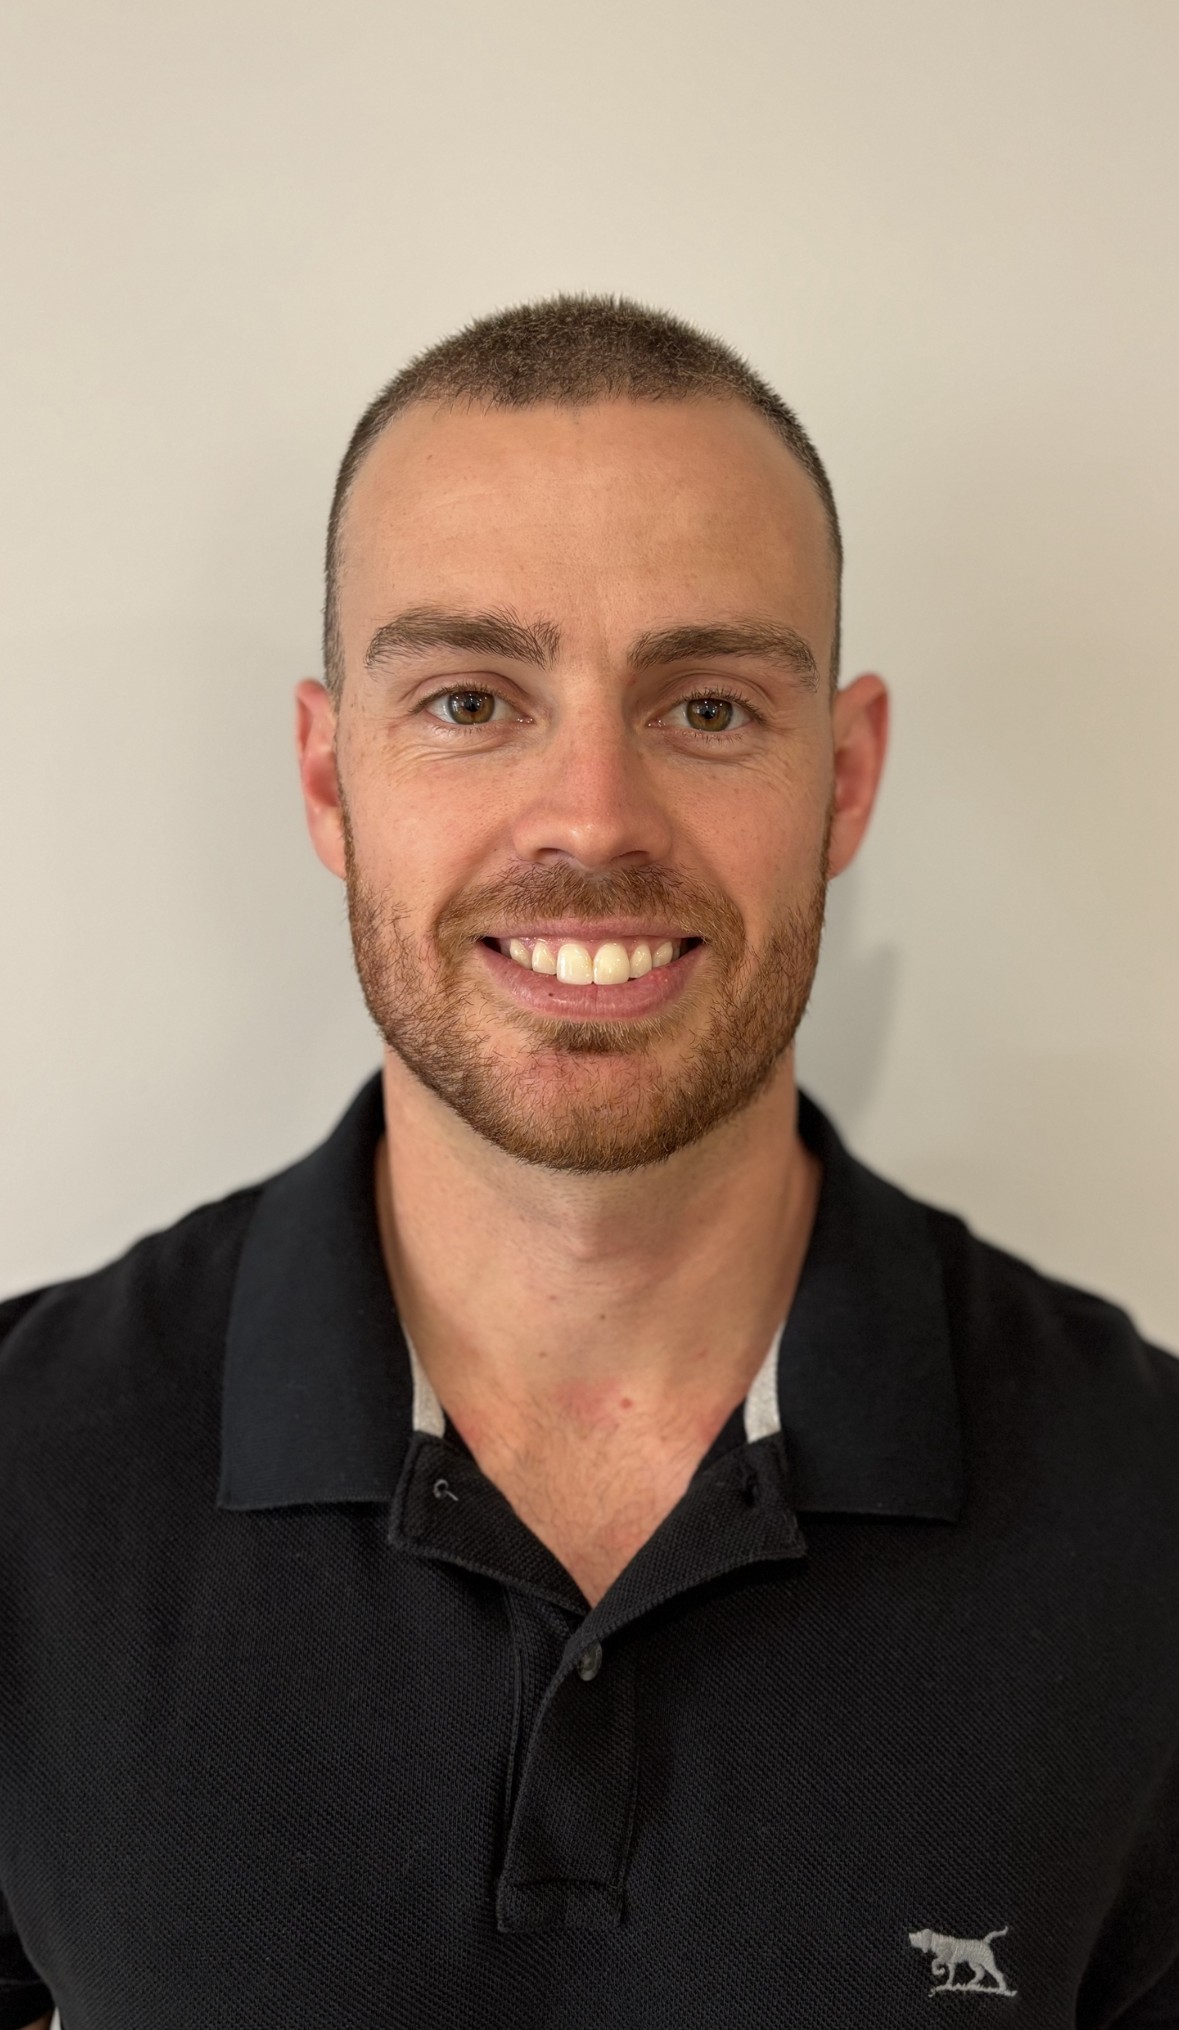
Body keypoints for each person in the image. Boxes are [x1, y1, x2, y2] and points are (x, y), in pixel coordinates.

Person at [1, 296, 1176, 2030]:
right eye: (472, 698)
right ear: (330, 776)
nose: (594, 817)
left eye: (706, 706)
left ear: (845, 778)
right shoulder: (26, 1468)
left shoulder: (1145, 1512)